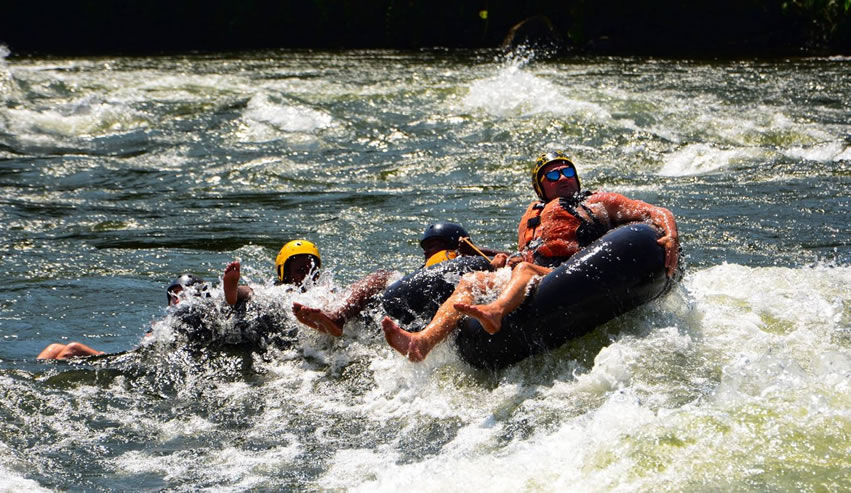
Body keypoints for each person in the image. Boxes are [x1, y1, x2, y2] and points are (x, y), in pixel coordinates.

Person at [382, 150, 680, 362]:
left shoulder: (599, 201)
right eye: (553, 174)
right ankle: (422, 341)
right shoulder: (531, 216)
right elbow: (527, 252)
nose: (562, 177)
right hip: (533, 270)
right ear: (541, 186)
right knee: (472, 281)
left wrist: (670, 234)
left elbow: (654, 212)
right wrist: (504, 260)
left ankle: (496, 312)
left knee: (525, 271)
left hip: (567, 272)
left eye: (567, 171)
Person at [291, 222, 503, 337]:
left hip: (444, 314)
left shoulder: (474, 263)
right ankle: (337, 318)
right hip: (397, 312)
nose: (427, 253)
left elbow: (509, 263)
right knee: (384, 276)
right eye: (426, 248)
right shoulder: (420, 275)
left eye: (434, 247)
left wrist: (478, 251)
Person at [37, 273, 210, 360]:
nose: (177, 300)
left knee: (73, 349)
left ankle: (42, 383)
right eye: (173, 296)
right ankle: (34, 376)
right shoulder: (166, 324)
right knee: (54, 348)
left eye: (182, 295)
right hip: (130, 360)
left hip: (137, 367)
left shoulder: (201, 320)